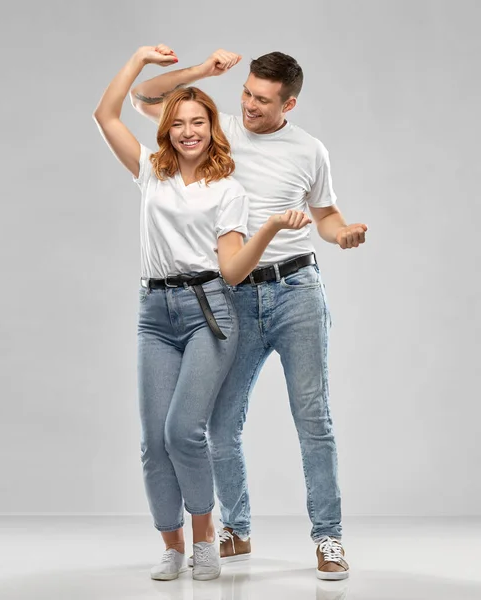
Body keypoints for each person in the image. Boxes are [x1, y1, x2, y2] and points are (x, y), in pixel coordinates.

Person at [131, 46, 368, 581]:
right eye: (246, 93)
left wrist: (342, 233)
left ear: (290, 103)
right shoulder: (219, 133)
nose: (249, 104)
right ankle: (236, 528)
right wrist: (200, 72)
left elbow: (326, 215)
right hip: (230, 294)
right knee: (218, 423)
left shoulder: (310, 151)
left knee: (314, 420)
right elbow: (145, 99)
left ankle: (328, 538)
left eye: (261, 99)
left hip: (297, 291)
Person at [92, 45, 312, 583]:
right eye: (179, 123)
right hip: (154, 313)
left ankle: (206, 538)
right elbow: (107, 112)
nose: (189, 131)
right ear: (166, 130)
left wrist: (270, 229)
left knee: (184, 432)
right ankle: (171, 546)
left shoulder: (228, 190)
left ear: (214, 129)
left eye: (200, 122)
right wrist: (141, 58)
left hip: (208, 312)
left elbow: (233, 271)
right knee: (152, 441)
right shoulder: (150, 171)